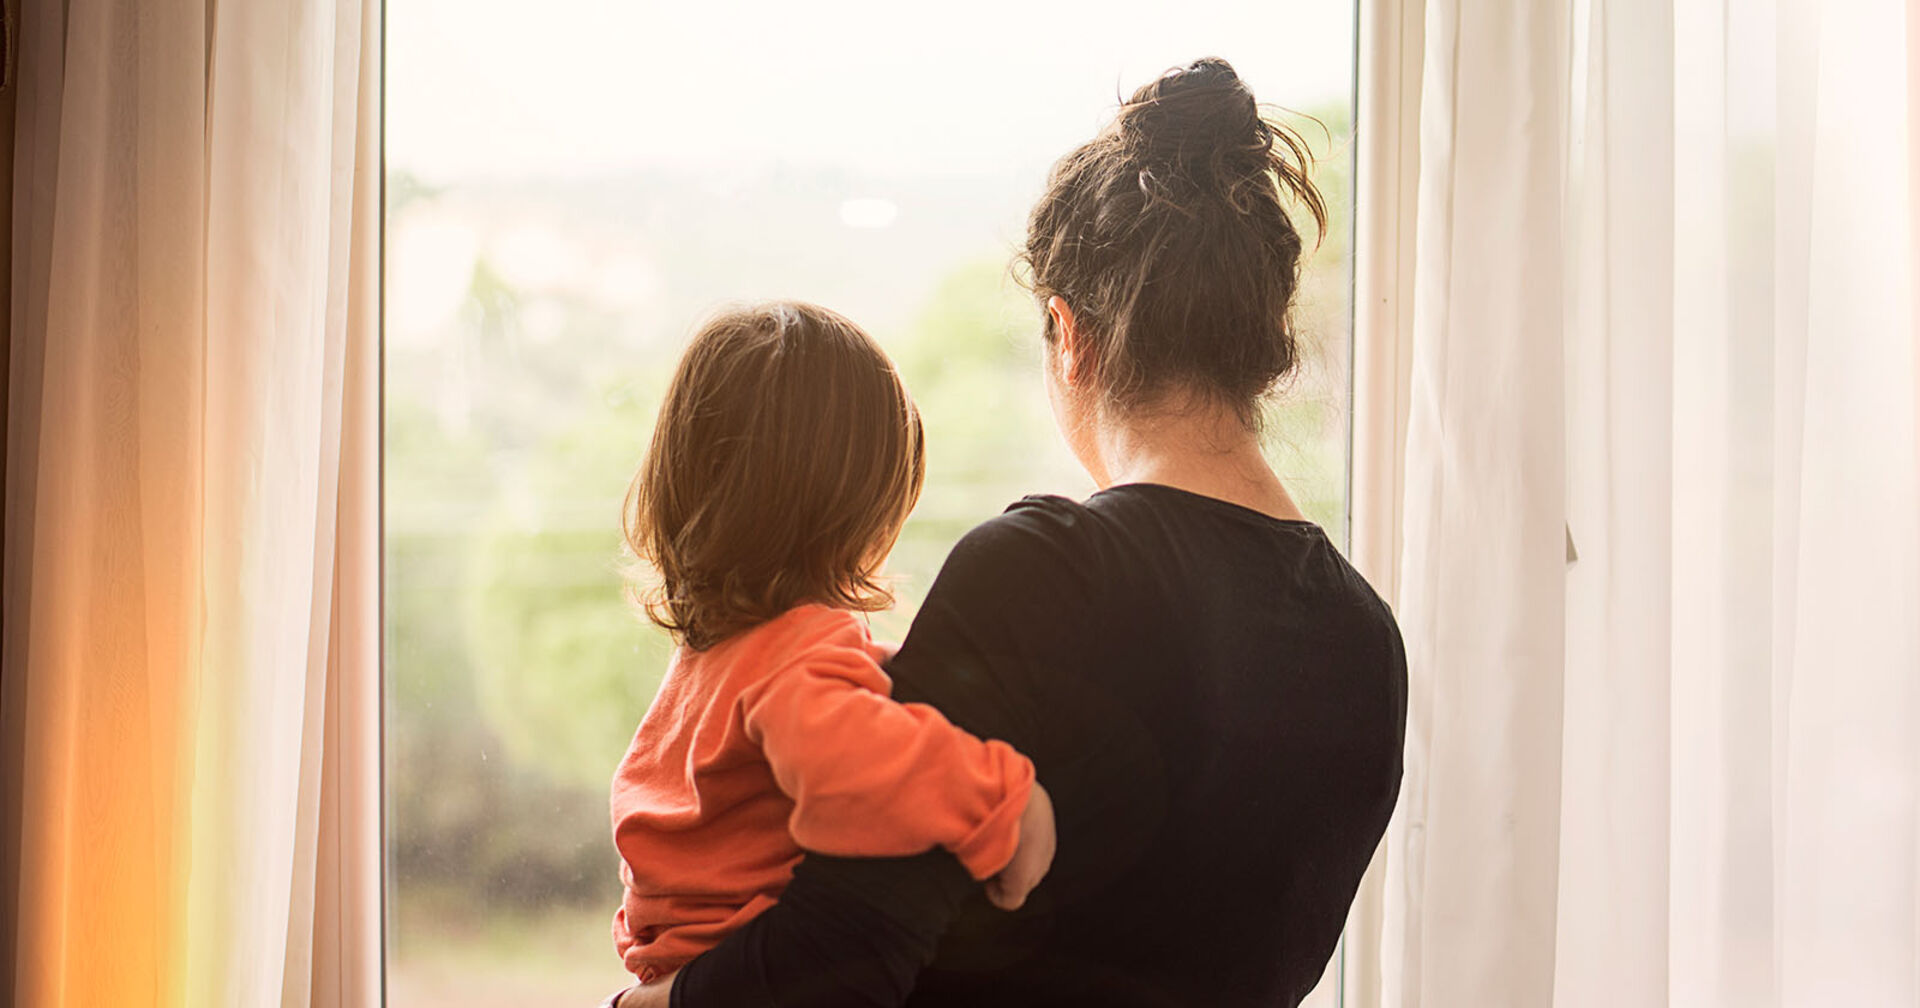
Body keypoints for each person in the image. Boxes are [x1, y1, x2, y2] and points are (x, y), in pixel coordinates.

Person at [620, 56, 1407, 1008]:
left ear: (1069, 336)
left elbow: (834, 966)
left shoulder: (1046, 575)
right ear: (1256, 338)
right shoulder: (1366, 643)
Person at [605, 302, 1057, 991]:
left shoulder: (710, 660)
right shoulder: (797, 657)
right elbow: (865, 770)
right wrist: (1003, 803)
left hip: (681, 972)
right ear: (857, 513)